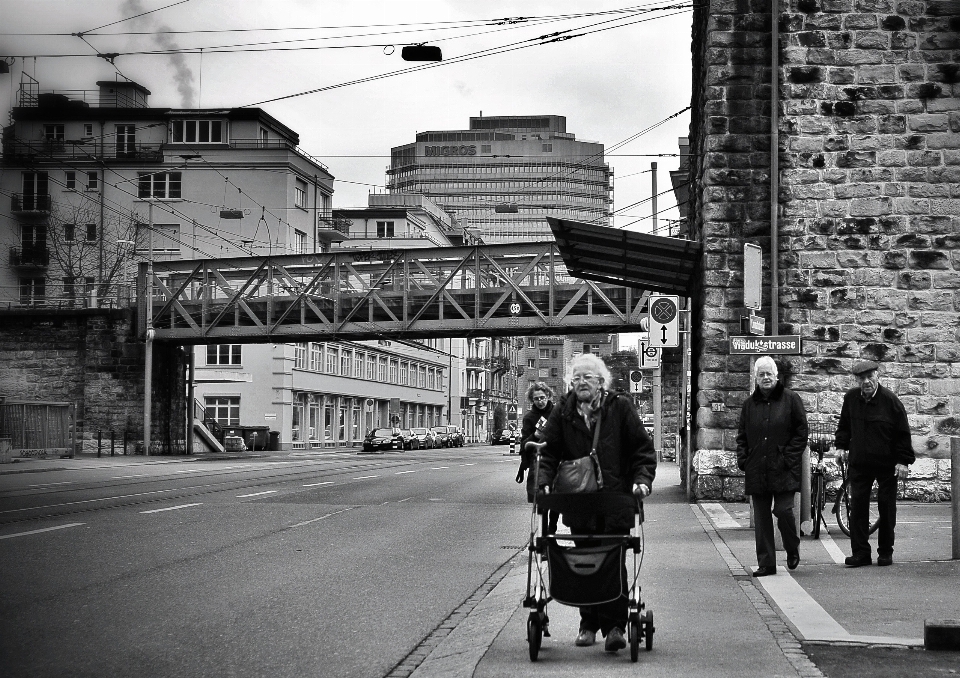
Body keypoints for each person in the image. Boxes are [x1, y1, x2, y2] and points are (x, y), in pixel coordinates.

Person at [534, 353, 657, 653]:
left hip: (616, 498)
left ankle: (615, 626)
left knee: (612, 560)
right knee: (583, 562)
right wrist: (543, 482)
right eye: (576, 378)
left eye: (587, 377)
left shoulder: (620, 407)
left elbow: (642, 449)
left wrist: (642, 480)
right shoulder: (563, 411)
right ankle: (587, 624)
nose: (581, 383)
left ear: (602, 381)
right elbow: (548, 453)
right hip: (581, 502)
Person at [835, 360, 915, 568]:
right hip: (860, 462)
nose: (866, 382)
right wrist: (841, 447)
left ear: (877, 376)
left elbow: (903, 434)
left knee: (887, 508)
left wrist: (903, 461)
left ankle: (885, 552)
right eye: (862, 379)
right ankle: (860, 553)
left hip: (886, 464)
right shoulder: (851, 399)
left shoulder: (891, 401)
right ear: (856, 380)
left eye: (870, 377)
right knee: (858, 508)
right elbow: (844, 426)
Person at [735, 356, 808, 577]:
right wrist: (744, 460)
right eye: (761, 374)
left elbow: (801, 432)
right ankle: (766, 563)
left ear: (776, 376)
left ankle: (791, 546)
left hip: (784, 467)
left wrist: (788, 457)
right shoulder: (749, 405)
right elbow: (742, 436)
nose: (765, 378)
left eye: (769, 374)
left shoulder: (791, 399)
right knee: (762, 517)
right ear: (756, 378)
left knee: (783, 510)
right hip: (757, 467)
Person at [516, 382, 556, 509]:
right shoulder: (529, 417)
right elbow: (524, 443)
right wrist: (535, 436)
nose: (540, 401)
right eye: (536, 399)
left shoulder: (556, 413)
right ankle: (537, 500)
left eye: (542, 398)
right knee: (537, 475)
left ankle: (553, 522)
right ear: (532, 400)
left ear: (548, 396)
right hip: (538, 453)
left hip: (556, 452)